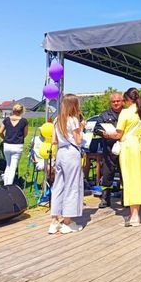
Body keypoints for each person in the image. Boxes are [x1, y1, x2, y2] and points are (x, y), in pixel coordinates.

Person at [106, 88, 141, 226]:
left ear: (128, 100)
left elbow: (118, 134)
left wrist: (108, 134)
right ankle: (136, 210)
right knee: (140, 178)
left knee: (130, 179)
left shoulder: (125, 113)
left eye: (124, 100)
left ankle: (134, 215)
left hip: (129, 147)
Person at [49, 94, 86, 234]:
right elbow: (78, 140)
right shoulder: (73, 120)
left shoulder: (57, 120)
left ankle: (54, 221)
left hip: (61, 152)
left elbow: (54, 140)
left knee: (58, 186)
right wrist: (81, 128)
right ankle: (67, 222)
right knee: (72, 186)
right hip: (71, 153)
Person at [96, 92, 124, 209]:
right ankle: (105, 199)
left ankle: (126, 199)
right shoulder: (104, 115)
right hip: (109, 149)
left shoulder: (127, 113)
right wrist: (104, 133)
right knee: (107, 174)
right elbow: (97, 128)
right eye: (113, 101)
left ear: (122, 101)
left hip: (124, 148)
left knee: (125, 174)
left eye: (118, 101)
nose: (116, 103)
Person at [0, 104, 28, 186]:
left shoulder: (6, 120)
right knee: (13, 168)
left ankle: (5, 185)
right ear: (21, 111)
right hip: (17, 146)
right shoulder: (24, 121)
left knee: (8, 166)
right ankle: (9, 186)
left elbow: (0, 132)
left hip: (7, 145)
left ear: (13, 110)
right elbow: (25, 134)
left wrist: (4, 138)